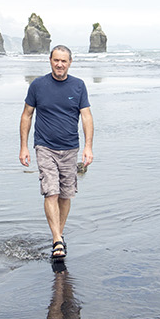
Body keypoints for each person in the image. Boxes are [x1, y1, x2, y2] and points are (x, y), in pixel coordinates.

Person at [19, 45, 94, 261]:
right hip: (45, 146)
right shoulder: (38, 85)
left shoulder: (78, 86)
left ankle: (58, 234)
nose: (59, 64)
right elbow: (26, 115)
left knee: (66, 194)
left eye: (64, 61)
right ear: (50, 61)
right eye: (56, 60)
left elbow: (86, 117)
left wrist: (88, 147)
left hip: (70, 147)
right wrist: (24, 146)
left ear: (70, 63)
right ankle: (57, 240)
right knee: (51, 191)